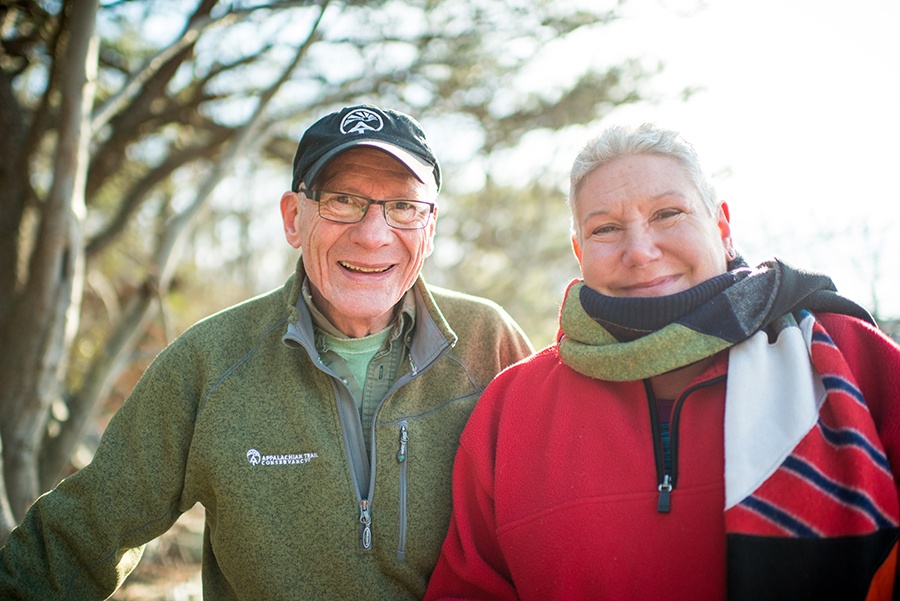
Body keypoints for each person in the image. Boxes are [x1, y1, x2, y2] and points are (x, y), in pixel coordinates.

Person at [0, 104, 533, 600]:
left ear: (430, 227)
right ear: (292, 218)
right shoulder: (209, 363)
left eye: (403, 207)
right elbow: (74, 542)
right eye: (342, 200)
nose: (374, 235)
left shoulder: (489, 343)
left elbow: (553, 527)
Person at [424, 123, 900, 600]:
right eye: (605, 228)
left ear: (722, 226)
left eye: (668, 213)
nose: (640, 252)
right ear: (579, 251)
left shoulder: (846, 356)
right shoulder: (512, 409)